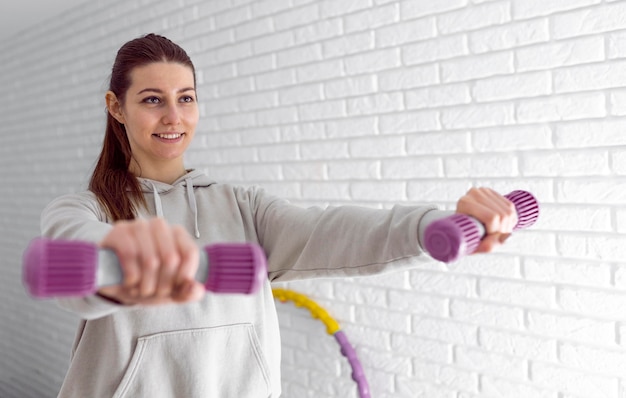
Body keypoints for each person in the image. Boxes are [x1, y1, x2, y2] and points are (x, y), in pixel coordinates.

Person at [41, 33, 517, 398]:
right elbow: (74, 256)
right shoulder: (87, 209)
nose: (173, 116)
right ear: (116, 108)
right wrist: (121, 257)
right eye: (152, 99)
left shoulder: (244, 209)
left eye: (186, 98)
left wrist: (431, 225)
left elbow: (331, 230)